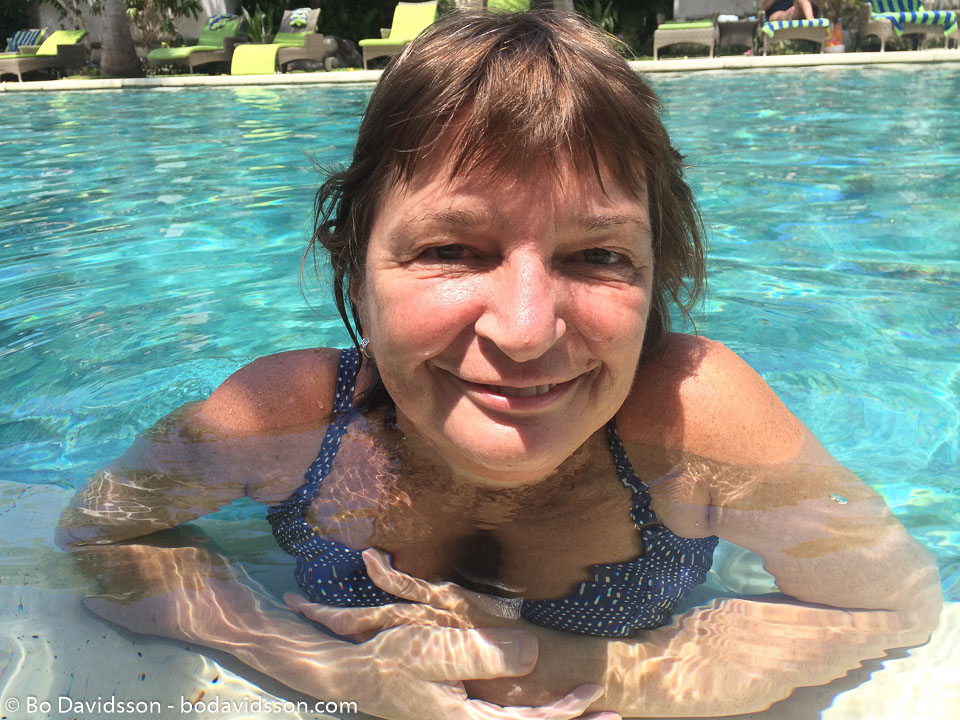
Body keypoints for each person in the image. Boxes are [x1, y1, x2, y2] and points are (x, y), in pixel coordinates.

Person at [57, 9, 942, 720]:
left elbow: (896, 605)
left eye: (598, 256)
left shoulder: (690, 422)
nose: (524, 331)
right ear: (353, 270)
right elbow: (96, 537)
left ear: (655, 277)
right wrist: (329, 670)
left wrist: (605, 671)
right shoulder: (285, 417)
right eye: (451, 248)